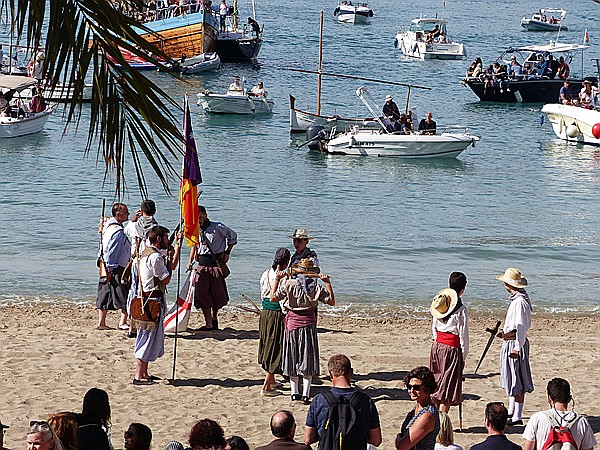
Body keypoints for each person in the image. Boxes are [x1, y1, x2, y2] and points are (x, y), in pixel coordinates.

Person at [270, 258, 335, 404]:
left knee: (292, 357)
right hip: (308, 324)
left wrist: (277, 279)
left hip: (292, 324)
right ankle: (305, 394)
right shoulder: (315, 288)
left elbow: (273, 298)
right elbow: (331, 302)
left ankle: (294, 393)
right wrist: (328, 283)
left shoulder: (288, 284)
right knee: (307, 358)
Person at [133, 225, 183, 385]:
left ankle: (144, 373)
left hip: (148, 299)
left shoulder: (147, 253)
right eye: (166, 238)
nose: (168, 241)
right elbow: (166, 278)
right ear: (159, 238)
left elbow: (169, 268)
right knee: (147, 338)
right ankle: (139, 375)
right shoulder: (154, 257)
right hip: (151, 301)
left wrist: (176, 249)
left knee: (148, 337)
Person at [304, 354, 382, 450]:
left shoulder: (319, 400)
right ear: (351, 372)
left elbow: (308, 439)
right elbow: (376, 440)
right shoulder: (365, 401)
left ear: (330, 374)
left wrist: (324, 435)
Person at [187, 205, 237, 331]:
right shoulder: (195, 230)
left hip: (216, 265)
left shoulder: (218, 227)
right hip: (202, 266)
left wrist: (227, 252)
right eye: (196, 217)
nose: (199, 219)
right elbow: (194, 247)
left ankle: (214, 318)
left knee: (217, 295)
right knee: (202, 295)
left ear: (205, 215)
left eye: (201, 216)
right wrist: (190, 262)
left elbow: (233, 237)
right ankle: (208, 323)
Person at [495, 267, 534, 426]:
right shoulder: (520, 298)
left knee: (517, 378)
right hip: (512, 341)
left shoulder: (519, 302)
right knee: (512, 377)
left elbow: (520, 327)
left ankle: (517, 415)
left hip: (515, 343)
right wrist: (504, 333)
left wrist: (517, 347)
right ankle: (512, 410)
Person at [429, 272, 469, 414]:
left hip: (437, 346)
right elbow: (463, 335)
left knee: (437, 382)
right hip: (451, 349)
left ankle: (434, 417)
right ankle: (441, 420)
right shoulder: (461, 310)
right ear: (463, 289)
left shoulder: (440, 303)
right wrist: (463, 356)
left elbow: (434, 328)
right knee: (447, 387)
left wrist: (437, 342)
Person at [523, 378, 597, 450]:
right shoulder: (581, 421)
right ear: (569, 399)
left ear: (549, 399)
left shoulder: (537, 418)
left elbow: (528, 448)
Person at [124, 199, 159, 339]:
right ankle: (146, 320)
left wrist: (134, 218)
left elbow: (126, 229)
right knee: (148, 292)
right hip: (149, 262)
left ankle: (132, 326)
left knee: (134, 292)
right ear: (154, 211)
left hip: (136, 262)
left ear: (141, 210)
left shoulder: (134, 225)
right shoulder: (156, 227)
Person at [258, 248, 290, 397]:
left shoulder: (266, 273)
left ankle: (271, 379)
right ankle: (266, 386)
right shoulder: (281, 277)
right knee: (275, 344)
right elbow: (279, 296)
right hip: (276, 312)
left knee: (267, 343)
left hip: (265, 312)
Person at [97, 202, 131, 331]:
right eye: (126, 212)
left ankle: (102, 322)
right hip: (115, 267)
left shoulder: (107, 226)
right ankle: (122, 322)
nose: (128, 214)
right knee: (125, 293)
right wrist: (111, 269)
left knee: (105, 293)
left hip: (107, 265)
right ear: (118, 214)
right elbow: (113, 251)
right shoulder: (117, 231)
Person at [395, 366, 440, 450]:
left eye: (416, 388)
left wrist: (398, 437)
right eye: (409, 386)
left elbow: (402, 447)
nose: (411, 391)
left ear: (427, 387)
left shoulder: (427, 416)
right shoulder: (418, 407)